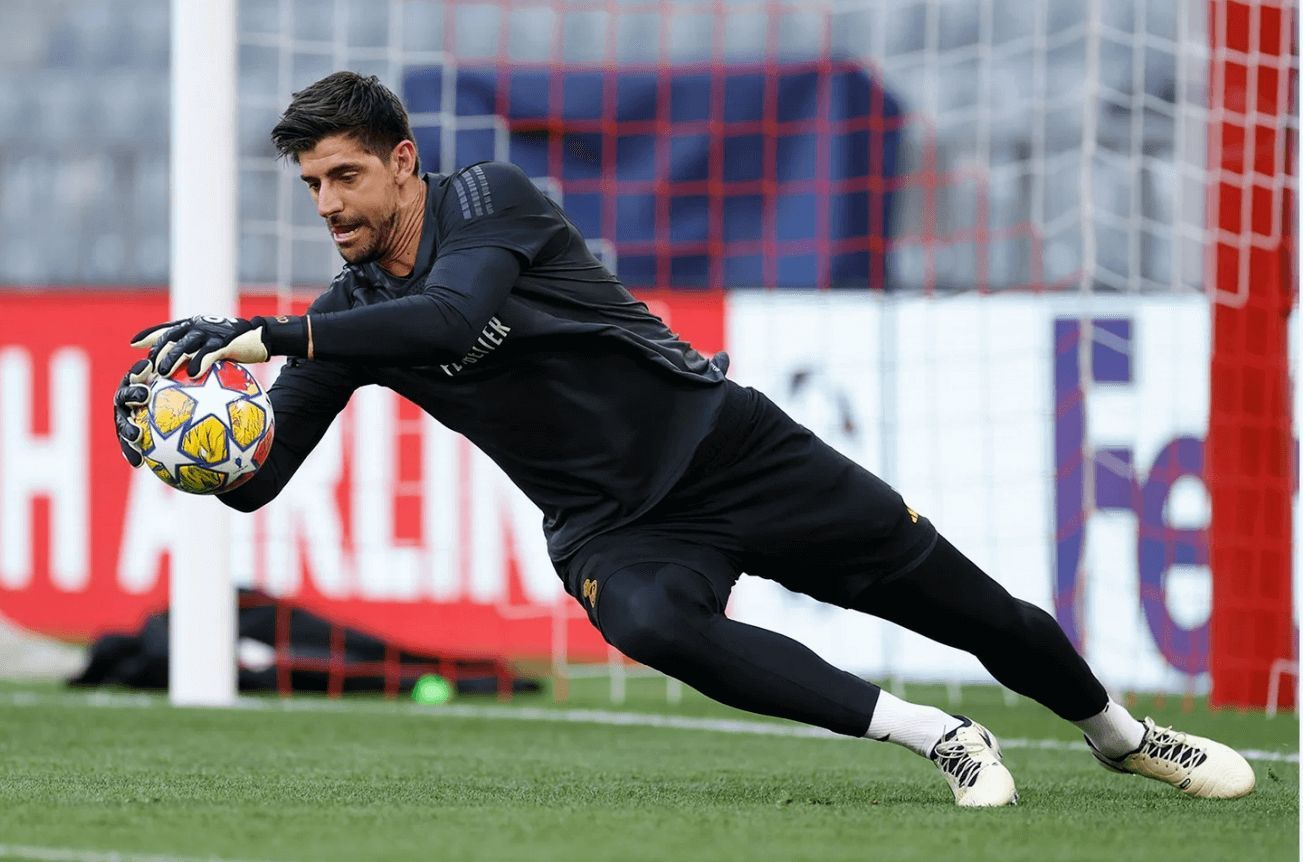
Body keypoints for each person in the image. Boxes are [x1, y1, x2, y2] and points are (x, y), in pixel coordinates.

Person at [113, 71, 1254, 806]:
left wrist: (262, 335)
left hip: (729, 448)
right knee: (656, 623)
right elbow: (258, 487)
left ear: (404, 161)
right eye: (313, 184)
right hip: (615, 527)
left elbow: (456, 316)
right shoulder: (349, 321)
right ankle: (935, 736)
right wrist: (184, 448)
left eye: (345, 175)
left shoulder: (488, 201)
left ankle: (1118, 733)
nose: (328, 203)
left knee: (970, 608)